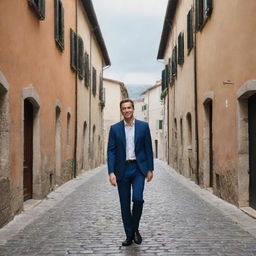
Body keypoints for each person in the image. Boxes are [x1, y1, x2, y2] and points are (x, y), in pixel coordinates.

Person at [107, 98, 154, 246]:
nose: (126, 110)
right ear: (121, 111)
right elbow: (111, 152)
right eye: (124, 108)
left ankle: (134, 228)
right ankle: (129, 235)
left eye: (129, 108)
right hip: (122, 170)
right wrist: (111, 172)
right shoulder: (114, 129)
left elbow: (148, 149)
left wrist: (150, 169)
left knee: (138, 199)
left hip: (138, 169)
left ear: (133, 109)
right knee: (125, 204)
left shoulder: (143, 127)